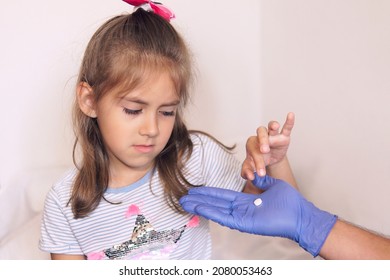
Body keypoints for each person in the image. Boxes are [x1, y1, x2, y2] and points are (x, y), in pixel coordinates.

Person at [39, 1, 295, 260]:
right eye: (133, 110)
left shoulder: (197, 158)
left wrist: (275, 163)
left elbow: (283, 215)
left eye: (166, 112)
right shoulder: (64, 204)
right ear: (89, 101)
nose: (151, 129)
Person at [180, 136, 390, 260]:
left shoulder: (199, 153)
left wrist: (309, 223)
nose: (151, 129)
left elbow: (267, 204)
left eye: (167, 112)